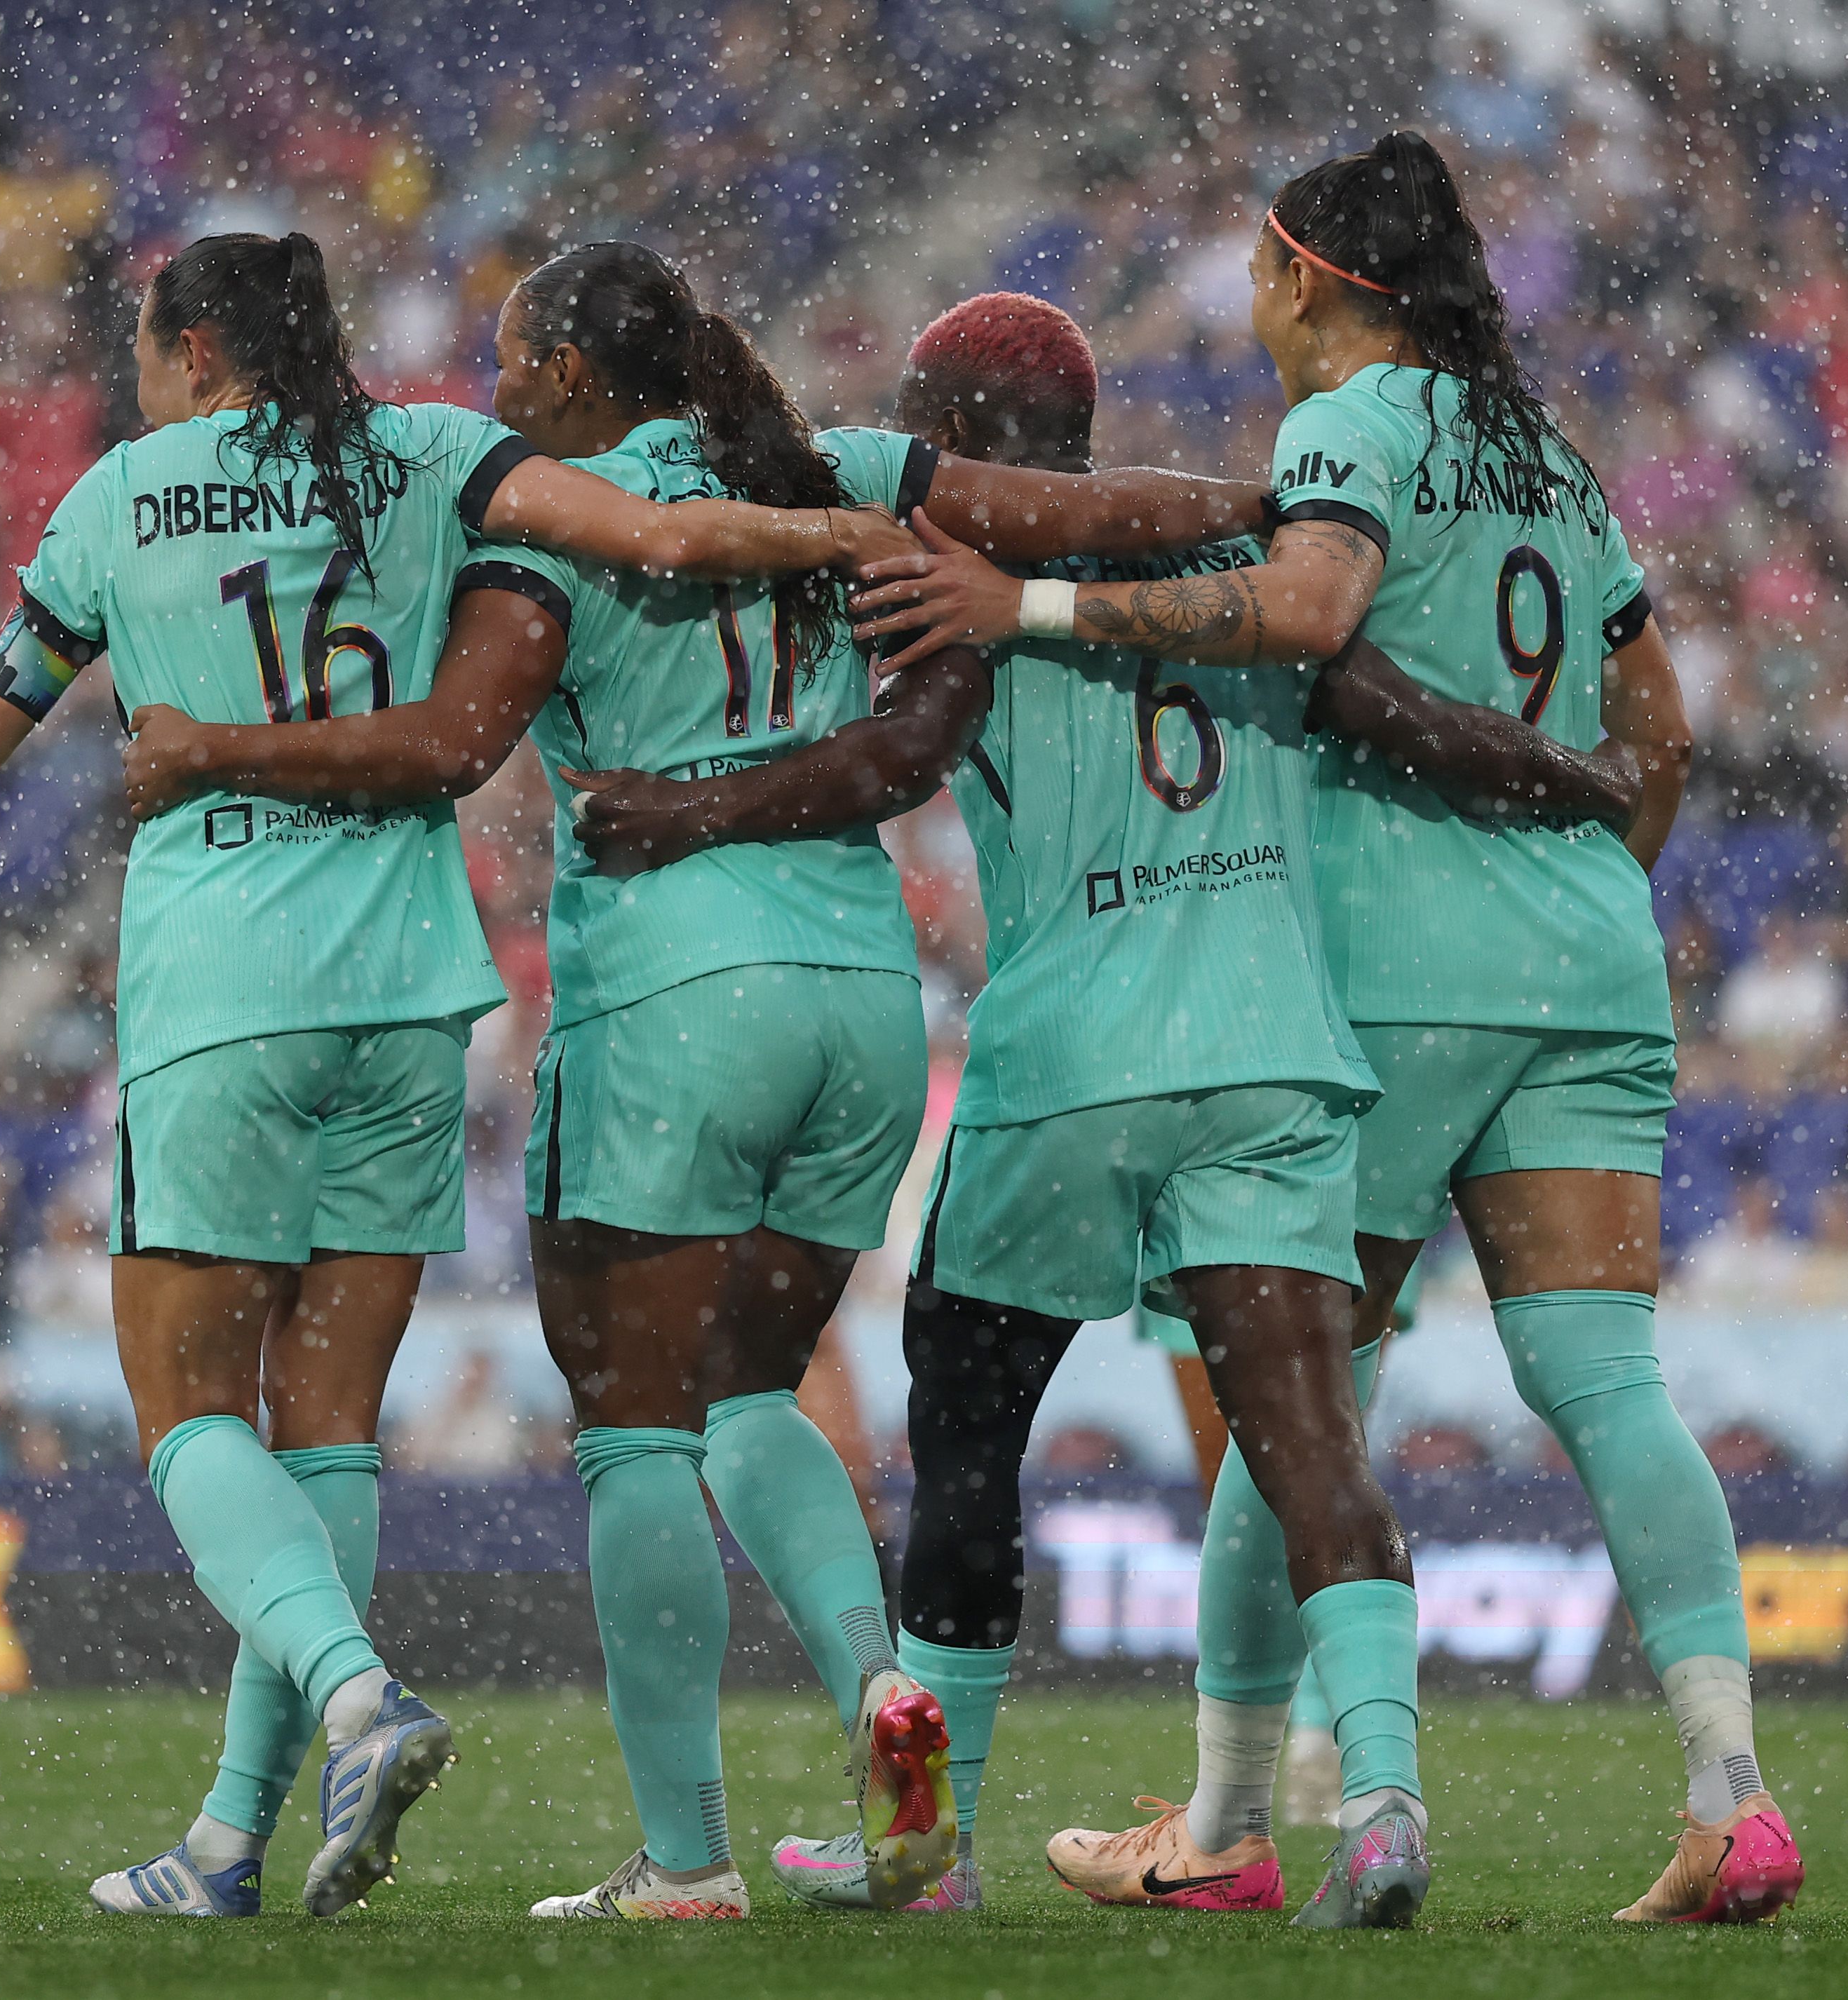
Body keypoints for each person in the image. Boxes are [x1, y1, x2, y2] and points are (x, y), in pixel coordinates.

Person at [116, 245, 1279, 1921]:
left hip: (672, 995)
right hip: (863, 999)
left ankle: (686, 1862)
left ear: (585, 378)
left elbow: (450, 742)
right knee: (756, 1384)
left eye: (519, 364)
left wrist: (219, 750)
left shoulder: (553, 523)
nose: (500, 395)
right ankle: (889, 1701)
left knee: (636, 1437)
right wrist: (1294, 509)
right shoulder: (835, 475)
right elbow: (1097, 516)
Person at [0, 229, 905, 1926]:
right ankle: (237, 1838)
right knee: (328, 1439)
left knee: (188, 1416)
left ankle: (356, 1695)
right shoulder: (435, 456)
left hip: (226, 981)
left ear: (188, 352)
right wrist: (840, 527)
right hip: (407, 992)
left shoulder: (123, 494)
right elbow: (667, 532)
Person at [567, 291, 1640, 1928]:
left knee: (974, 1446)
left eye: (929, 422)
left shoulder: (960, 589)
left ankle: (932, 1844)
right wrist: (1564, 779)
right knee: (1309, 1445)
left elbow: (898, 759)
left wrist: (697, 804)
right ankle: (1385, 1807)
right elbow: (1398, 720)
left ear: (968, 442)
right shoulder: (1258, 587)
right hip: (1272, 1056)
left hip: (1068, 1058)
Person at [854, 133, 1800, 1926]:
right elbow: (1654, 726)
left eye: (1264, 278)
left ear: (1311, 283)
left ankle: (1237, 1817)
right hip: (1591, 958)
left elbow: (1303, 616)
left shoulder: (1345, 432)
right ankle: (1732, 1794)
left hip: (1382, 961)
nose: (1258, 313)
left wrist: (1034, 601)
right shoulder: (1553, 456)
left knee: (1301, 1391)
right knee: (1606, 1381)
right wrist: (1574, 895)